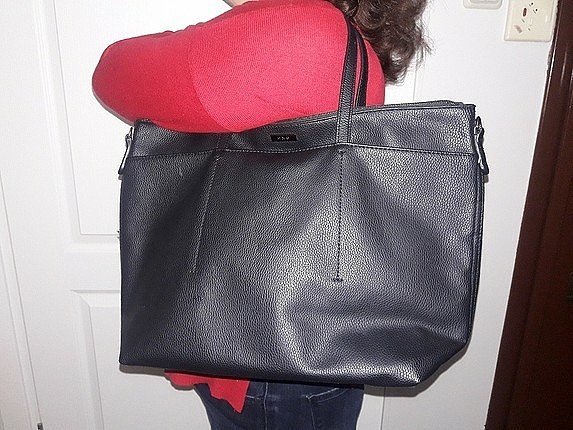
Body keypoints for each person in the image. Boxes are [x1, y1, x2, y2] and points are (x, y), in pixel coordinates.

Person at [93, 0, 427, 428]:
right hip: (296, 344)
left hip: (274, 362)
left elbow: (115, 71)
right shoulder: (327, 31)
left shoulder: (300, 31)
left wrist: (220, 27)